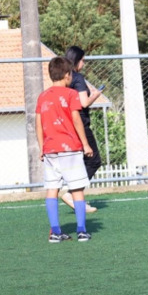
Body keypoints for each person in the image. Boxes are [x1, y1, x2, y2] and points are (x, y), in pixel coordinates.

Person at [36, 56, 94, 242]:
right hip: (70, 148)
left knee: (52, 189)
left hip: (50, 149)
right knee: (77, 188)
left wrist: (41, 147)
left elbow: (38, 123)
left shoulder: (43, 96)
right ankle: (82, 230)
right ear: (68, 75)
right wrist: (85, 144)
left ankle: (55, 231)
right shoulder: (70, 95)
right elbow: (76, 119)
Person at [60, 46, 102, 213]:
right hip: (81, 124)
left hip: (67, 124)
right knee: (94, 160)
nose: (84, 63)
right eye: (83, 60)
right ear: (77, 60)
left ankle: (77, 198)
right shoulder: (77, 78)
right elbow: (83, 103)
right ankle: (72, 193)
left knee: (80, 161)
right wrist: (95, 96)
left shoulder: (65, 79)